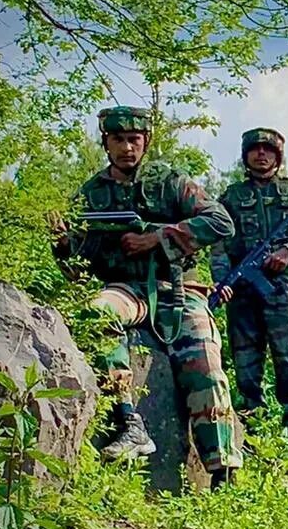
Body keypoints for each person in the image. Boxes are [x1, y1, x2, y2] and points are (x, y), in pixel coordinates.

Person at [51, 106, 242, 487]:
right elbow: (77, 267)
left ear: (146, 141)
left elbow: (221, 221)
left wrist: (157, 237)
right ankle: (129, 423)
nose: (126, 147)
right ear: (105, 142)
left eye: (134, 139)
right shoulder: (92, 194)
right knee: (97, 314)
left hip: (179, 289)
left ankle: (222, 471)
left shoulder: (169, 181)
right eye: (118, 139)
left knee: (205, 358)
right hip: (125, 290)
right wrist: (61, 245)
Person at [211, 128, 288, 443]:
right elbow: (220, 247)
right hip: (242, 293)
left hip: (282, 288)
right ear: (246, 155)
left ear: (277, 155)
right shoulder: (231, 197)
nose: (260, 154)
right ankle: (253, 431)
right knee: (246, 364)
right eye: (255, 149)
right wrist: (221, 283)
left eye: (267, 149)